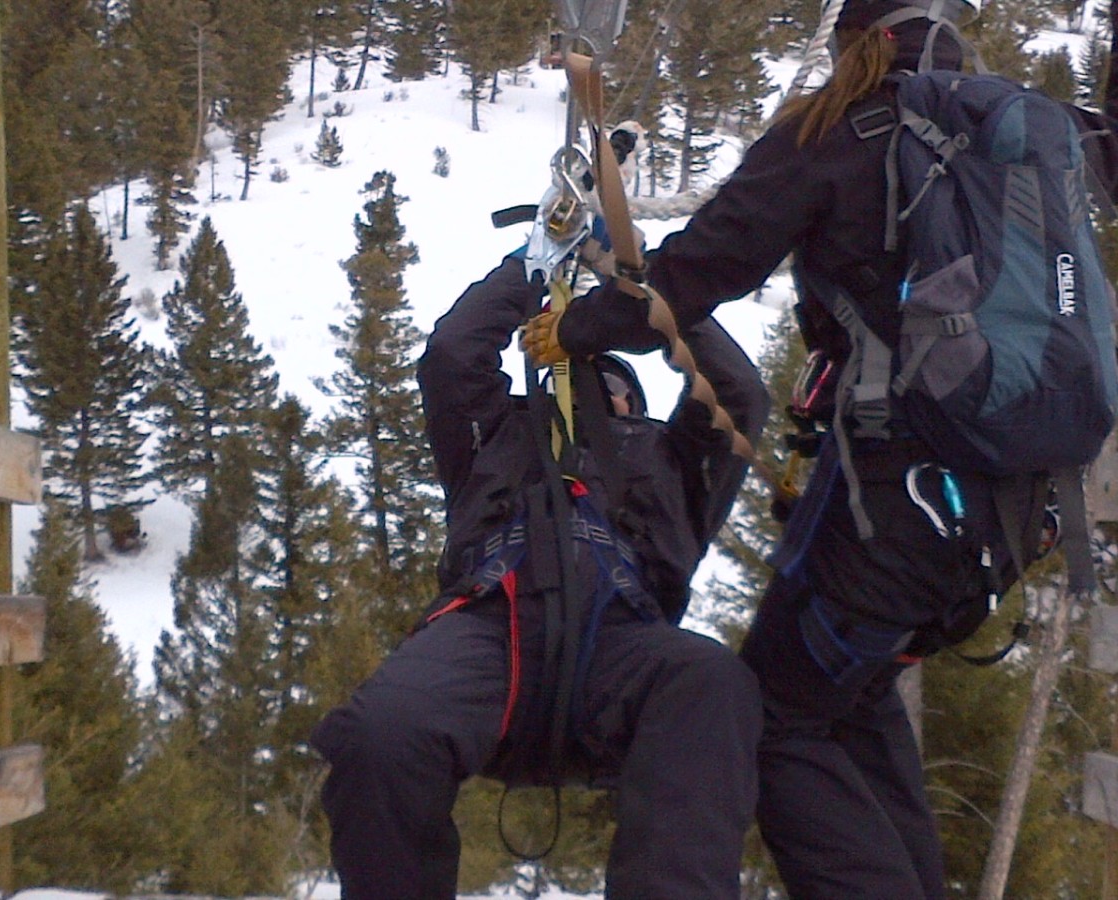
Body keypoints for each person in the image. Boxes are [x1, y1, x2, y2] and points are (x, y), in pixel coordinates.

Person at [538, 1, 1118, 897]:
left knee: (772, 719)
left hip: (895, 521)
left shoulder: (837, 132)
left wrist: (576, 328)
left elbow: (697, 273)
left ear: (861, 43)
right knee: (848, 704)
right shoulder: (1030, 129)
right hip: (1011, 522)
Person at [310, 253, 770, 899]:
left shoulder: (672, 458)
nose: (586, 389)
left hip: (620, 645)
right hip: (489, 626)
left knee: (713, 681)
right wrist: (535, 260)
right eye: (568, 377)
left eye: (604, 380)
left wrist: (649, 292)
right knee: (380, 731)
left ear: (633, 403)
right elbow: (454, 354)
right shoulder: (494, 437)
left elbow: (738, 393)